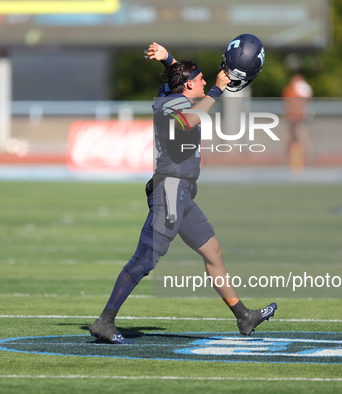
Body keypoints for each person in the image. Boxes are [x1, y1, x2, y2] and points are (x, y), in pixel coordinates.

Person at [89, 38, 277, 344]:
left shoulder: (179, 92)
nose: (205, 79)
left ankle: (244, 316)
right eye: (200, 78)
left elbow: (179, 76)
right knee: (144, 260)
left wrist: (167, 58)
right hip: (169, 191)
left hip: (184, 194)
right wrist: (216, 89)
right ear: (189, 86)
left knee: (212, 251)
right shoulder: (170, 104)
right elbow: (189, 120)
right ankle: (105, 321)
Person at [282, 73, 313, 168]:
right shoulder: (291, 89)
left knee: (299, 133)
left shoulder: (300, 88)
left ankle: (308, 155)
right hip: (294, 116)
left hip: (298, 116)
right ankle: (285, 156)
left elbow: (303, 102)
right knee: (291, 135)